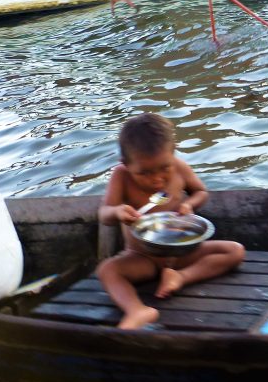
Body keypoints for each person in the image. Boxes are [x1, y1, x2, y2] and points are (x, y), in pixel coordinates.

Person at [97, 113, 246, 329]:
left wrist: (190, 205)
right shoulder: (121, 176)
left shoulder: (179, 167)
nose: (157, 179)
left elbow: (200, 191)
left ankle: (180, 277)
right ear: (126, 164)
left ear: (173, 153)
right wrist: (118, 211)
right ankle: (137, 310)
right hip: (142, 257)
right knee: (107, 270)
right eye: (144, 173)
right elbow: (104, 214)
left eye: (164, 168)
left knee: (235, 251)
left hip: (183, 253)